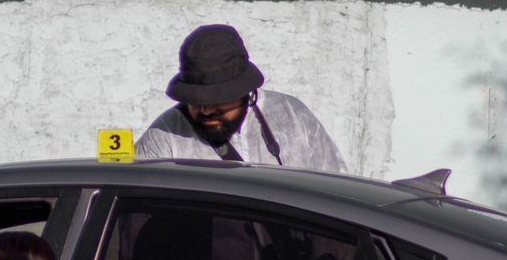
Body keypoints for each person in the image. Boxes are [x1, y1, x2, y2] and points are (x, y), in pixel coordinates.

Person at [136, 24, 348, 172]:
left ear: (245, 93)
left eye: (218, 101)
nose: (206, 111)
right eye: (197, 101)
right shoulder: (163, 138)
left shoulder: (294, 117)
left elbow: (337, 190)